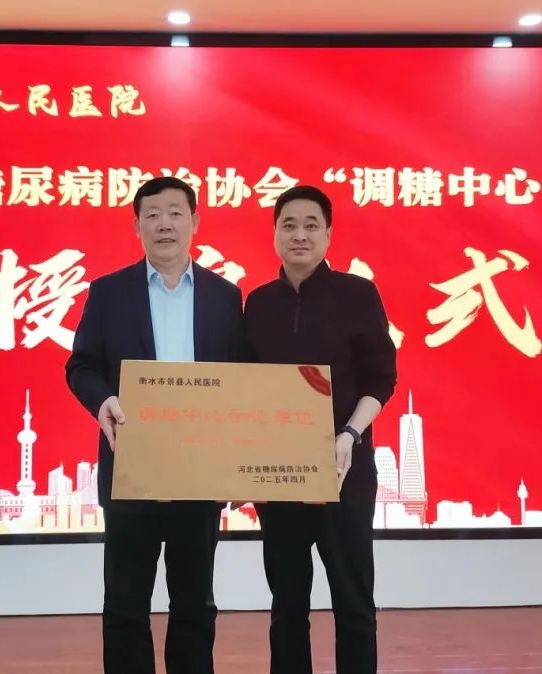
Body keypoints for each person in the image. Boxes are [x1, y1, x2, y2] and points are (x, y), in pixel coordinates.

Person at [65, 176, 245, 674]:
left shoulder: (225, 297)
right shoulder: (109, 292)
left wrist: (238, 462)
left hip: (200, 473)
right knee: (126, 605)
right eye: (152, 214)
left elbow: (241, 380)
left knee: (195, 604)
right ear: (137, 226)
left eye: (175, 213)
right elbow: (82, 366)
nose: (164, 224)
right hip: (132, 468)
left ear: (195, 222)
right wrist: (103, 400)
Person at [243, 185, 398, 674]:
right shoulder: (258, 303)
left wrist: (350, 434)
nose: (300, 235)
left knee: (353, 600)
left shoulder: (357, 293)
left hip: (343, 470)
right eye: (289, 225)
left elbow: (381, 379)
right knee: (287, 604)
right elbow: (244, 388)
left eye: (311, 225)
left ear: (328, 235)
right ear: (274, 234)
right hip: (279, 476)